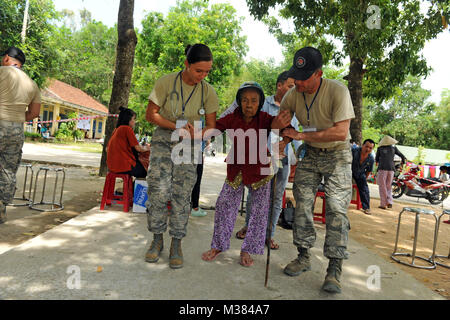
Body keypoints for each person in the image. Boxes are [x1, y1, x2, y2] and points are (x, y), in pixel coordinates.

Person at [279, 46, 355, 294]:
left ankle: (334, 268)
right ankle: (303, 256)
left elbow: (341, 132)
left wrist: (299, 133)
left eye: (304, 77)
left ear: (319, 74)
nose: (298, 82)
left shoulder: (338, 91)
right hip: (311, 152)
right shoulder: (293, 93)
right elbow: (281, 120)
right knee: (302, 202)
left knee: (336, 208)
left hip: (337, 154)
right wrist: (282, 130)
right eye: (296, 76)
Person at [144, 44, 219, 269]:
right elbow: (151, 115)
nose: (203, 76)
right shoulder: (166, 82)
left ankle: (176, 243)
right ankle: (157, 239)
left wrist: (197, 134)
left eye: (207, 72)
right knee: (158, 191)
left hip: (190, 143)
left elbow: (212, 127)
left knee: (182, 193)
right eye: (199, 71)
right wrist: (176, 126)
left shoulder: (208, 91)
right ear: (186, 64)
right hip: (164, 139)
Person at [201, 81, 291, 267]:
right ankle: (218, 245)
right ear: (239, 102)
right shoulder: (232, 117)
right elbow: (213, 128)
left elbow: (287, 130)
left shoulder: (266, 118)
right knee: (224, 204)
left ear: (260, 103)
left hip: (260, 172)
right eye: (244, 100)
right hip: (236, 169)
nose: (249, 104)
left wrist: (285, 141)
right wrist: (195, 132)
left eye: (253, 100)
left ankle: (247, 250)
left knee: (259, 213)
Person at [229, 71, 301, 250]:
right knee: (256, 193)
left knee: (277, 197)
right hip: (262, 159)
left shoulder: (295, 109)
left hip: (282, 160)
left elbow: (295, 134)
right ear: (279, 85)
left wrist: (287, 144)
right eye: (291, 86)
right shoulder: (261, 103)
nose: (294, 91)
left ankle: (269, 234)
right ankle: (250, 228)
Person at [0, 47, 41, 223]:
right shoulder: (32, 84)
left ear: (7, 58)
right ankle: (1, 209)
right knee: (8, 170)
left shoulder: (1, 72)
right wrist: (16, 117)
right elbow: (34, 113)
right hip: (16, 130)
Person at [106, 106, 150, 178]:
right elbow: (139, 149)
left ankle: (130, 188)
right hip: (124, 166)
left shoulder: (116, 130)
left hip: (112, 166)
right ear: (128, 120)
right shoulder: (127, 129)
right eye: (134, 119)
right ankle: (132, 189)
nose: (134, 122)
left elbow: (106, 149)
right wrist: (149, 148)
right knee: (148, 172)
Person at [375, 135, 406, 209]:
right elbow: (402, 156)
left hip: (382, 168)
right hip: (391, 169)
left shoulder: (380, 148)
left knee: (382, 186)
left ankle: (383, 204)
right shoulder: (393, 148)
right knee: (388, 186)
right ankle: (389, 202)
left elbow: (376, 159)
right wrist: (403, 163)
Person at [352, 139, 375, 215]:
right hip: (349, 170)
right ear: (363, 145)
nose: (368, 149)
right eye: (366, 146)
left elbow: (368, 171)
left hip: (360, 173)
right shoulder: (354, 150)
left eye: (370, 148)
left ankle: (366, 207)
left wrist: (363, 179)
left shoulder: (371, 158)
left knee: (364, 188)